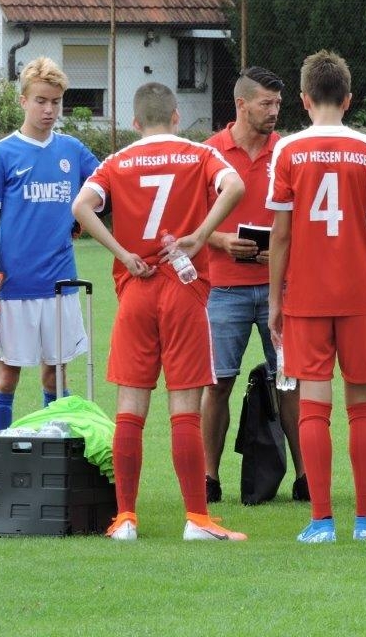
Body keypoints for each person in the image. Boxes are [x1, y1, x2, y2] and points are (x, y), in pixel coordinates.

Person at [73, 82, 248, 542]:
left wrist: (121, 250)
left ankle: (125, 518)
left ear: (134, 123)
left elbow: (81, 206)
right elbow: (235, 185)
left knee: (130, 409)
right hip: (183, 286)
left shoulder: (116, 162)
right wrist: (200, 233)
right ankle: (197, 519)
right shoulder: (196, 153)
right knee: (185, 407)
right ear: (175, 117)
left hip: (136, 288)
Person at [267, 50, 366, 543]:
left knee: (313, 406)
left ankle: (321, 521)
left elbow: (279, 236)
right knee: (363, 404)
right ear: (348, 99)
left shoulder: (287, 151)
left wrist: (275, 301)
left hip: (305, 296)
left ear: (304, 100)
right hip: (359, 295)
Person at [201, 66, 307, 504]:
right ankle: (209, 478)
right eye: (266, 103)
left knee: (291, 381)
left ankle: (306, 477)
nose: (274, 111)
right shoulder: (208, 153)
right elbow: (186, 224)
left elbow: (305, 217)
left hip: (279, 289)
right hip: (222, 287)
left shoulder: (288, 151)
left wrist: (283, 248)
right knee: (218, 384)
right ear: (241, 104)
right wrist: (223, 240)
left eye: (278, 103)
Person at [0, 57, 99, 435]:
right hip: (14, 286)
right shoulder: (1, 154)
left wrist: (80, 218)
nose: (49, 110)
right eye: (41, 101)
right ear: (23, 101)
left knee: (56, 376)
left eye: (56, 102)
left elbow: (104, 192)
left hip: (61, 283)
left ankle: (56, 458)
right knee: (6, 378)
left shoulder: (73, 150)